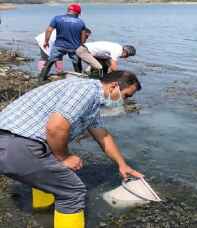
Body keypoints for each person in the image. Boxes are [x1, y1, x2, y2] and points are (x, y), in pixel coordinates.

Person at [0, 70, 143, 228]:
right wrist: (65, 157)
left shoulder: (92, 100)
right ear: (113, 86)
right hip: (15, 144)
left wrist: (122, 165)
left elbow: (103, 136)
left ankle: (41, 214)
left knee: (51, 170)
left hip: (11, 143)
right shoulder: (86, 91)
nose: (124, 101)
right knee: (73, 191)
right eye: (126, 96)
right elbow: (55, 127)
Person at [38, 3, 87, 81]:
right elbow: (83, 35)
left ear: (68, 10)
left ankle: (41, 78)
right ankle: (80, 79)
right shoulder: (80, 22)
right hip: (74, 47)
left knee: (50, 61)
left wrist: (46, 41)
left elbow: (49, 30)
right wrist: (81, 45)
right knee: (77, 63)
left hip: (59, 46)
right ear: (77, 13)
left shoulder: (57, 18)